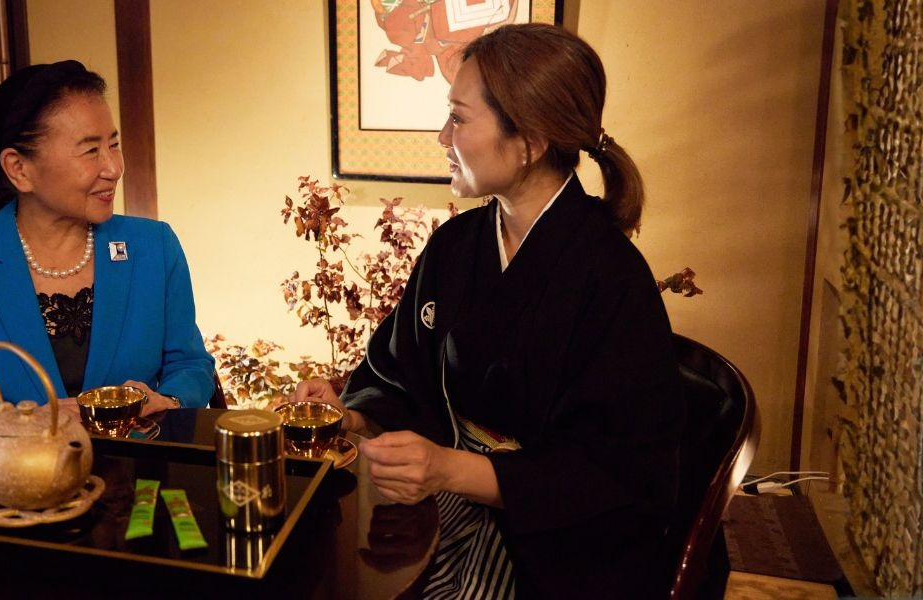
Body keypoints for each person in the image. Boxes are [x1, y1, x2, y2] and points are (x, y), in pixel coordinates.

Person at [292, 24, 684, 598]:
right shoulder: (457, 246)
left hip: (555, 556)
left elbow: (616, 473)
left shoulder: (610, 279)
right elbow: (397, 374)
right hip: (449, 515)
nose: (442, 136)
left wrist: (450, 469)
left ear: (529, 139)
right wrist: (354, 416)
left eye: (459, 117)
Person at [0, 60, 215, 466]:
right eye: (90, 150)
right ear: (20, 168)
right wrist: (21, 433)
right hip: (9, 492)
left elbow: (189, 364)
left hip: (133, 482)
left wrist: (169, 398)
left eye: (113, 144)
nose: (114, 167)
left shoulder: (153, 247)